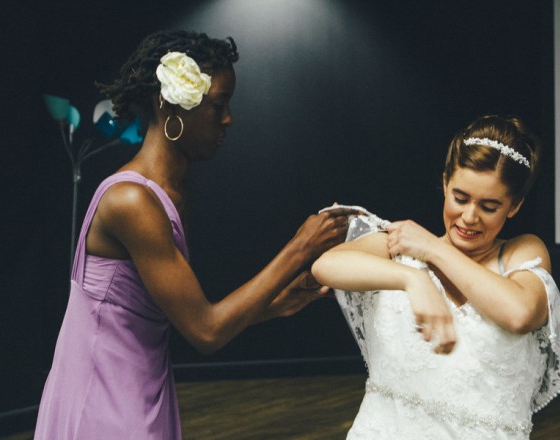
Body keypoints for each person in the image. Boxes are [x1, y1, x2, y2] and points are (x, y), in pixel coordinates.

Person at [34, 30, 357, 440]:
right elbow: (206, 331)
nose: (228, 118)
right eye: (218, 104)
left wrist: (274, 305)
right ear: (170, 104)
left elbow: (185, 315)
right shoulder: (131, 201)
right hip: (101, 403)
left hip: (142, 388)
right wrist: (301, 247)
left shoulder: (171, 193)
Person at [312, 115, 560, 439]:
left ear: (514, 206)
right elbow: (326, 265)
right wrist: (413, 279)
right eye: (460, 198)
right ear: (445, 184)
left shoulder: (520, 252)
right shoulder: (402, 248)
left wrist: (433, 249)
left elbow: (520, 314)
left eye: (489, 206)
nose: (469, 217)